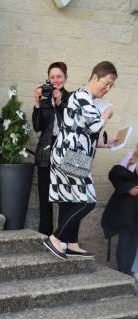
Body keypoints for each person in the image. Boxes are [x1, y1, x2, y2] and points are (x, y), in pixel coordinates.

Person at [44, 61, 118, 260]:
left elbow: (83, 131)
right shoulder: (83, 95)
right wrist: (107, 113)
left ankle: (72, 244)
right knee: (87, 201)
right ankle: (56, 238)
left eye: (112, 85)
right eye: (106, 83)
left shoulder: (83, 97)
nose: (108, 88)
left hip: (70, 155)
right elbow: (94, 125)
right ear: (94, 77)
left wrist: (103, 144)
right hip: (70, 157)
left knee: (72, 200)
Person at [32, 61, 70, 236]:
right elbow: (38, 126)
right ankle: (45, 236)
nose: (55, 80)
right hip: (46, 153)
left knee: (65, 199)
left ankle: (62, 237)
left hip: (65, 154)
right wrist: (37, 102)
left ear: (65, 78)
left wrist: (60, 103)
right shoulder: (45, 96)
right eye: (52, 77)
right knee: (45, 199)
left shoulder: (73, 98)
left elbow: (71, 125)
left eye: (59, 76)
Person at [101, 145, 138, 274]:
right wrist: (129, 188)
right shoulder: (130, 158)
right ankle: (123, 272)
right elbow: (115, 176)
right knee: (125, 238)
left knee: (134, 241)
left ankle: (128, 272)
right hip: (126, 208)